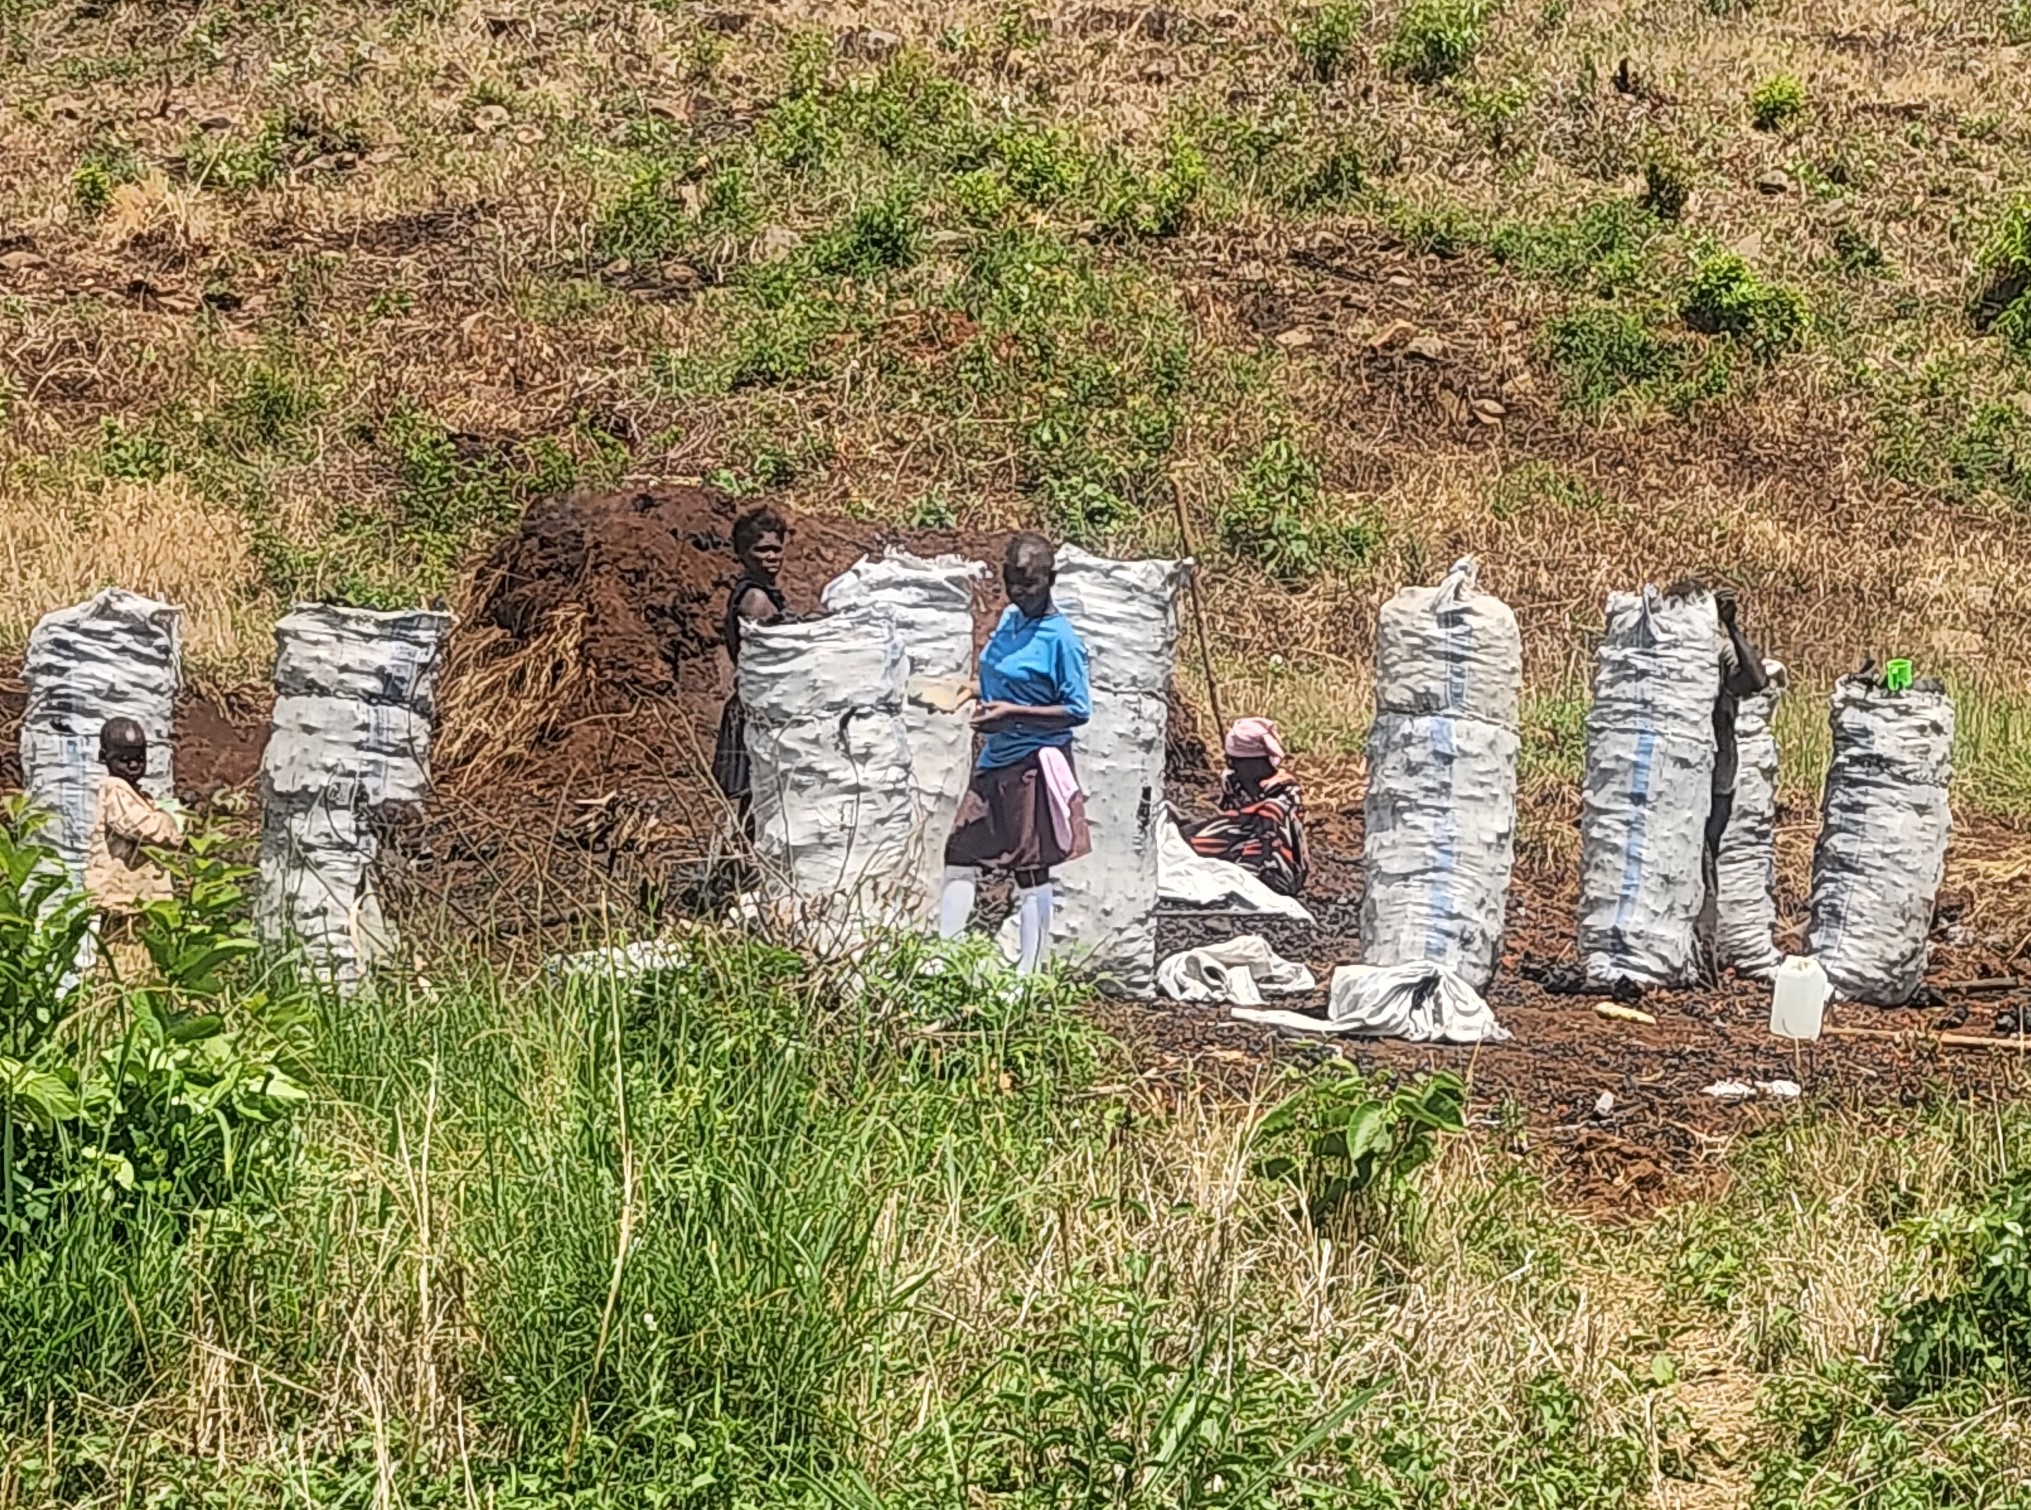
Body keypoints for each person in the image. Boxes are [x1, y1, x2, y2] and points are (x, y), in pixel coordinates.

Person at [939, 532, 1092, 974]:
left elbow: (1077, 709)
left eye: (1031, 583)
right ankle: (946, 956)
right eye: (1013, 582)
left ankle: (1031, 970)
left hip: (1033, 763)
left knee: (1030, 867)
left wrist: (1013, 714)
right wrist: (971, 691)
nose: (1021, 592)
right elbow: (1000, 673)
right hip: (996, 756)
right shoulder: (1009, 620)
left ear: (1051, 579)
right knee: (961, 850)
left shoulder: (1060, 639)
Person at [1701, 582, 1770, 982]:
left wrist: (1732, 626)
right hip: (1671, 785)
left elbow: (1756, 679)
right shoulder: (1672, 655)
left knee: (1705, 865)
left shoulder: (1719, 653)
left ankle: (1705, 955)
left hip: (1715, 780)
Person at [709, 505, 791, 827]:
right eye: (762, 550)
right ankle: (743, 868)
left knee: (758, 799)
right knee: (759, 798)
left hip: (757, 704)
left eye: (776, 549)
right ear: (743, 554)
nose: (771, 556)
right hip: (755, 709)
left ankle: (739, 869)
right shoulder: (755, 600)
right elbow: (775, 656)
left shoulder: (765, 594)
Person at [85, 717, 183, 979]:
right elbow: (144, 827)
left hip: (138, 902)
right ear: (104, 757)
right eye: (123, 759)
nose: (133, 764)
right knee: (124, 968)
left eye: (139, 757)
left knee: (141, 966)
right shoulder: (114, 788)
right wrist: (170, 824)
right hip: (124, 901)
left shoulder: (138, 793)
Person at [1183, 717, 1310, 898]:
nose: (1232, 765)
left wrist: (1241, 817)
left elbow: (1279, 823)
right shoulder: (1233, 782)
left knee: (1270, 812)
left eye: (1238, 760)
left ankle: (1256, 875)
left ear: (1261, 762)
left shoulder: (1285, 788)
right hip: (1242, 840)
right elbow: (1230, 822)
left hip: (1278, 855)